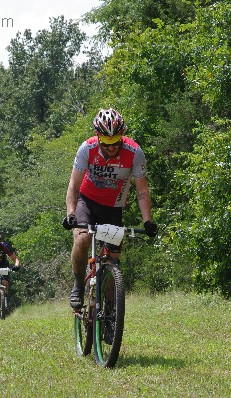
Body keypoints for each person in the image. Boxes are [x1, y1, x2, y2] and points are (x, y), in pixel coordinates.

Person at [62, 108, 158, 309]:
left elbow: (142, 190)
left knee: (112, 261)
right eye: (107, 143)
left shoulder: (134, 153)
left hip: (114, 207)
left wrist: (147, 221)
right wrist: (71, 213)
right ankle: (79, 284)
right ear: (98, 137)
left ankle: (109, 313)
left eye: (116, 141)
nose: (112, 147)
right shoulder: (86, 149)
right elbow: (73, 185)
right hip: (87, 202)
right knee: (82, 239)